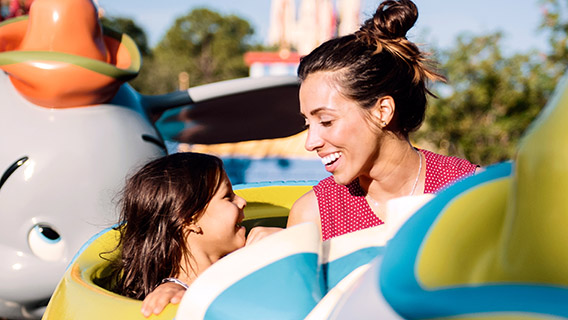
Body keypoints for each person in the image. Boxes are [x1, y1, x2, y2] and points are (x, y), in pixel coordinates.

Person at [287, 0, 477, 240]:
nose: (310, 143)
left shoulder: (467, 191)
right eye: (308, 123)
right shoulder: (313, 216)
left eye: (326, 121)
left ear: (382, 111)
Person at [98, 152, 247, 318]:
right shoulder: (175, 296)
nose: (242, 201)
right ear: (190, 219)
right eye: (228, 197)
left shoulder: (243, 258)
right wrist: (172, 290)